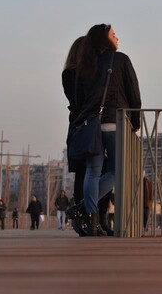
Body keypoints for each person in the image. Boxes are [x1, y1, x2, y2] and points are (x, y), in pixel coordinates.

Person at [74, 24, 142, 237]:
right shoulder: (120, 59)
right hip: (115, 122)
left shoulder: (85, 65)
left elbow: (78, 98)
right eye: (113, 35)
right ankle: (83, 208)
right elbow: (133, 90)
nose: (117, 37)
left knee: (93, 171)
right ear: (105, 39)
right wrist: (136, 119)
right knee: (117, 170)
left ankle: (91, 218)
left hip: (91, 125)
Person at [62, 36, 87, 204]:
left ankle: (86, 213)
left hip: (77, 125)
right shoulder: (73, 74)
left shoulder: (68, 74)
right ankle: (84, 213)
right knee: (84, 170)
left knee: (83, 171)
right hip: (82, 124)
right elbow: (78, 100)